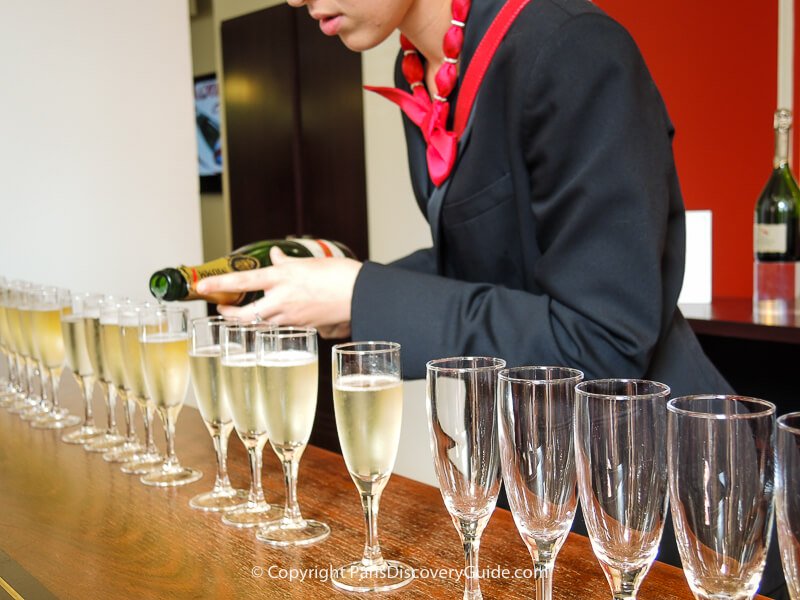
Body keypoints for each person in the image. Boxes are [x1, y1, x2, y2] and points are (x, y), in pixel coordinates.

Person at [196, 0, 786, 596]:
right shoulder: (430, 73)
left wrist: (360, 294)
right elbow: (496, 266)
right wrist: (338, 287)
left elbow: (603, 342)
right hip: (543, 487)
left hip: (660, 502)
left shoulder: (574, 50)